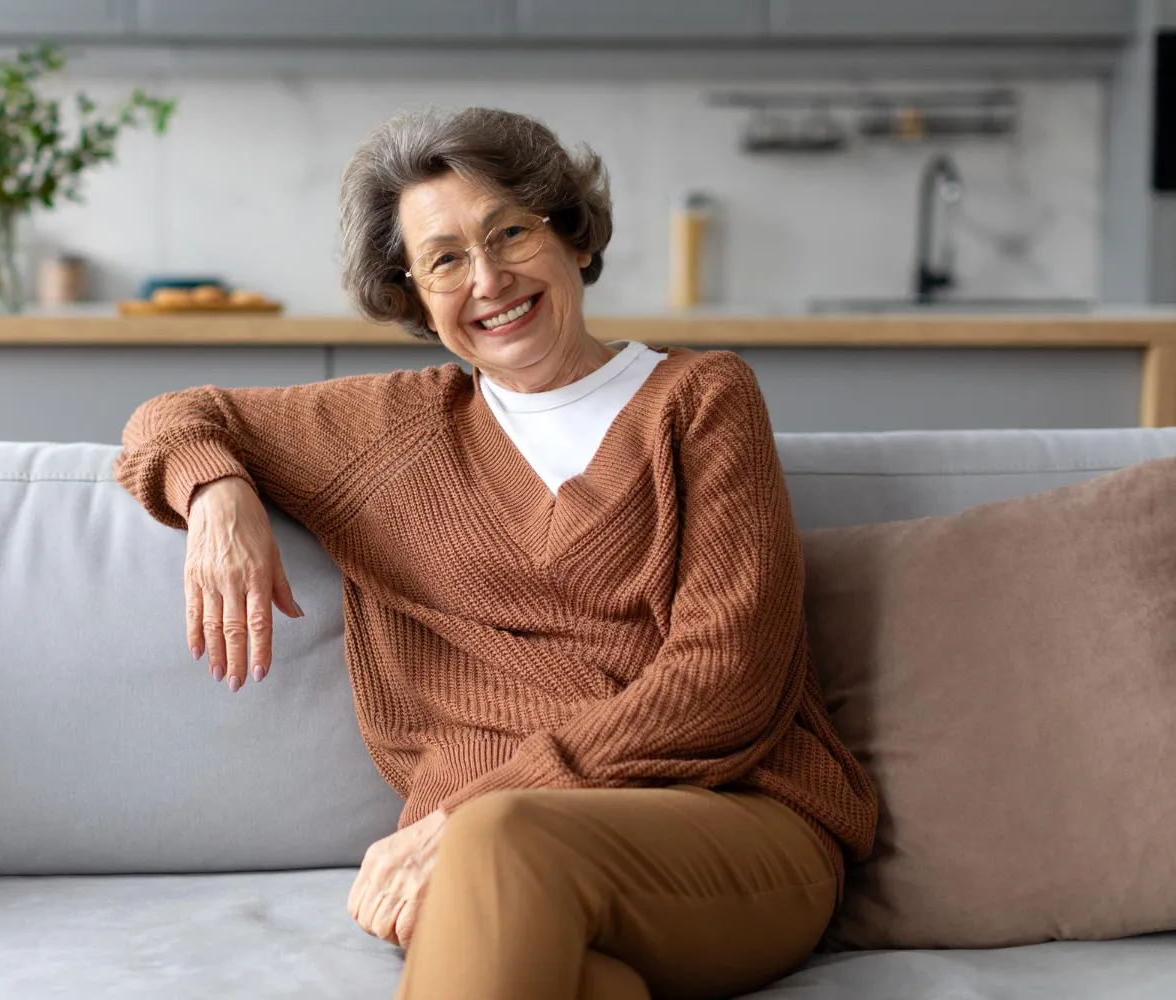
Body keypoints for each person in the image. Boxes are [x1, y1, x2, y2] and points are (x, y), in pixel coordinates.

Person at [114, 106, 877, 1000]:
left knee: (503, 840)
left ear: (571, 234)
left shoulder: (701, 399)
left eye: (509, 232)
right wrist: (216, 494)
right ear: (411, 294)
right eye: (444, 260)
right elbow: (171, 419)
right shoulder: (392, 432)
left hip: (731, 823)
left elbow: (727, 674)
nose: (488, 279)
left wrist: (479, 808)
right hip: (476, 868)